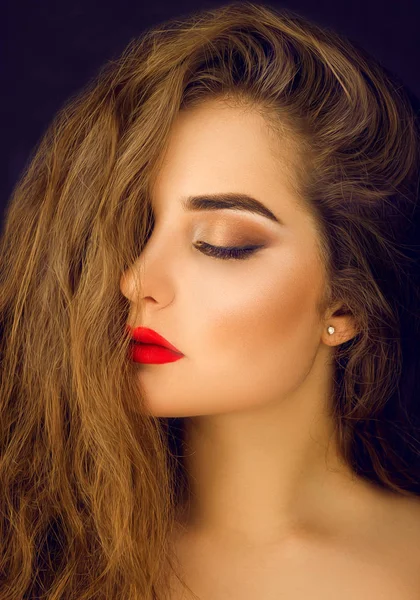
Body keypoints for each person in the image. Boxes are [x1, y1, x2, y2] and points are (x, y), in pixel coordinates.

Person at [1, 2, 420, 599]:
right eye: (131, 229)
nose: (134, 280)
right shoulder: (28, 553)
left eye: (222, 243)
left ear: (345, 307)